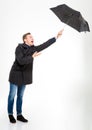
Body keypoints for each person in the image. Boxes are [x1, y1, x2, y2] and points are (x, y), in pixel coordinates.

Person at [7, 29, 64, 123]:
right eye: (30, 37)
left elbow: (44, 45)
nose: (32, 38)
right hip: (15, 75)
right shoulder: (19, 48)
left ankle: (19, 114)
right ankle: (10, 114)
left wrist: (56, 37)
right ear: (25, 40)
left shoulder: (33, 48)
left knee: (20, 96)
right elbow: (21, 61)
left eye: (32, 37)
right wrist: (32, 57)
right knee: (12, 96)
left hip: (24, 76)